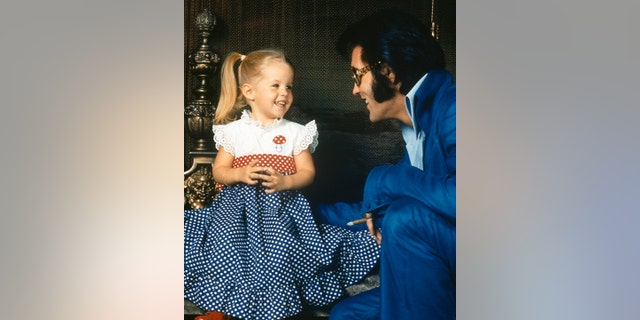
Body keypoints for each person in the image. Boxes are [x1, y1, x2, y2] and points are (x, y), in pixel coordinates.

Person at [184, 49, 380, 320]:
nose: (285, 92)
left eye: (289, 86)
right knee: (223, 246)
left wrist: (286, 181)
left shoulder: (295, 132)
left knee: (281, 253)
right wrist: (239, 175)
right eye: (275, 85)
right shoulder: (234, 132)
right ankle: (220, 310)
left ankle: (278, 307)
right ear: (249, 92)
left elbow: (307, 173)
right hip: (235, 213)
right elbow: (219, 171)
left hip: (280, 212)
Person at [315, 9, 456, 319]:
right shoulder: (416, 125)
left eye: (357, 75)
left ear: (388, 73)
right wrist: (306, 210)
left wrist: (385, 178)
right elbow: (377, 207)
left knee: (406, 217)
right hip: (442, 259)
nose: (354, 89)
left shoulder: (455, 107)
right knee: (346, 316)